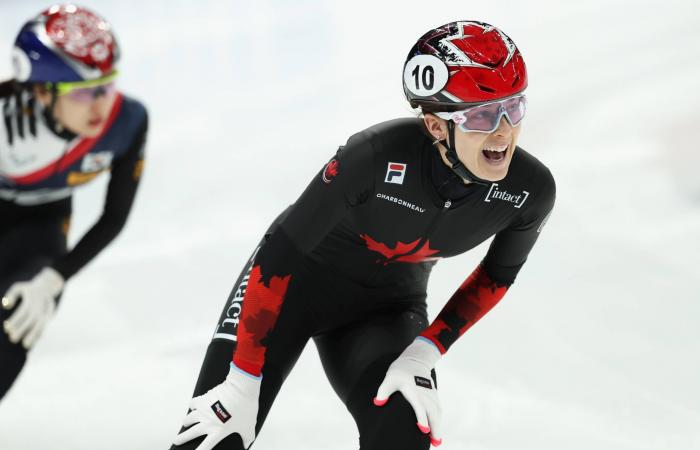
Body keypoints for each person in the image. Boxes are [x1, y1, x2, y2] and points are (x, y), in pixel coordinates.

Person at [171, 20, 554, 450]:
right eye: (483, 115)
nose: (504, 131)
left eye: (514, 108)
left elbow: (496, 277)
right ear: (434, 126)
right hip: (288, 290)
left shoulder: (530, 191)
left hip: (384, 311)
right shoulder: (372, 157)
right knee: (209, 440)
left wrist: (425, 351)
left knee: (404, 436)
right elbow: (280, 253)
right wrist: (242, 378)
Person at [0, 4, 148, 401]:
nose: (101, 105)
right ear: (39, 89)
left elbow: (114, 217)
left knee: (18, 316)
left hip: (40, 226)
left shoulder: (128, 122)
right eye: (83, 92)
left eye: (107, 85)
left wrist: (54, 277)